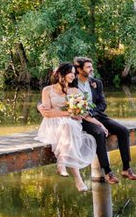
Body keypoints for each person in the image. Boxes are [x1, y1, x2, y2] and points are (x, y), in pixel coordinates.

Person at [72, 56, 136, 184]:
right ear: (79, 69)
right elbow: (54, 93)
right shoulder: (71, 83)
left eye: (91, 66)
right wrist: (40, 106)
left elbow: (103, 105)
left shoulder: (97, 83)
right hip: (82, 120)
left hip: (97, 116)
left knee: (123, 130)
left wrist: (91, 112)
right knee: (100, 133)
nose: (92, 69)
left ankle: (126, 169)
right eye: (88, 67)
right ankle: (108, 172)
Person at [36, 63, 100, 191]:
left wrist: (98, 123)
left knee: (68, 126)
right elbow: (47, 113)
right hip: (52, 124)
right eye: (70, 72)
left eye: (74, 73)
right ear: (61, 74)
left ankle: (62, 163)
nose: (73, 75)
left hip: (71, 124)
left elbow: (81, 113)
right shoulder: (47, 90)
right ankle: (78, 179)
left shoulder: (75, 91)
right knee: (68, 126)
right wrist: (69, 113)